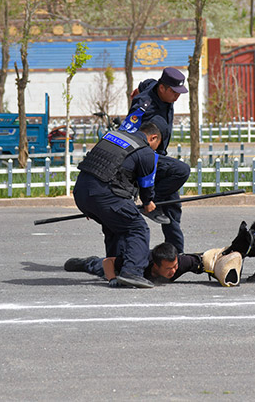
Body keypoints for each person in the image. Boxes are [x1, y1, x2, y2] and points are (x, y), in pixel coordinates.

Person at [73, 121, 163, 289]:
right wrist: (149, 203)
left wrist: (92, 206)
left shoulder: (114, 136)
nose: (155, 151)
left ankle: (114, 271)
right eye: (156, 146)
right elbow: (146, 187)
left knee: (115, 225)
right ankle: (132, 272)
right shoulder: (145, 152)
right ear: (153, 137)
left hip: (81, 193)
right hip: (105, 195)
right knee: (137, 228)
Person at [127, 67, 191, 253]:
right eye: (173, 92)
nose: (177, 97)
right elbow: (129, 131)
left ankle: (176, 254)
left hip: (159, 155)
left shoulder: (152, 86)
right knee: (181, 170)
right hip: (146, 156)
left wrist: (137, 89)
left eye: (179, 93)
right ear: (162, 88)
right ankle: (150, 203)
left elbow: (145, 83)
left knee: (173, 209)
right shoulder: (143, 105)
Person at [64, 242, 205, 286]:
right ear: (155, 265)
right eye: (169, 269)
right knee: (98, 267)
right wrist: (112, 279)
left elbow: (205, 260)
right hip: (114, 268)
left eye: (175, 266)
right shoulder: (138, 262)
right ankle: (87, 262)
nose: (174, 271)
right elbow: (109, 262)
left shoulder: (182, 262)